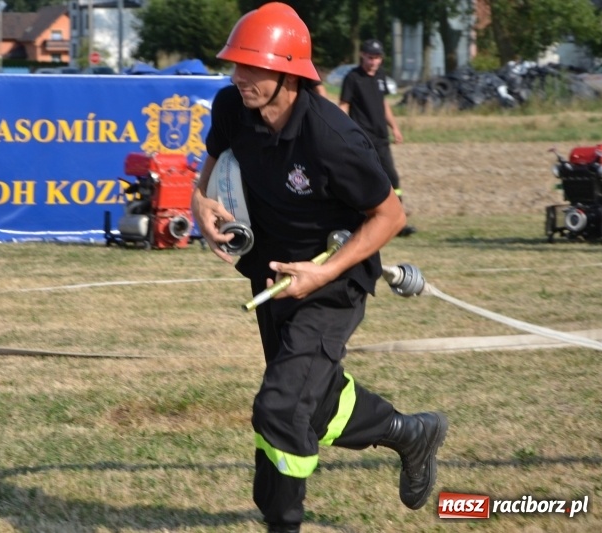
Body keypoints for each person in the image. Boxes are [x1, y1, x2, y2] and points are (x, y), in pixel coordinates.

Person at [190, 4, 447, 532]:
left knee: (282, 407)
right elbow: (211, 164)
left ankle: (283, 522)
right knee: (312, 398)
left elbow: (390, 216)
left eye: (252, 67)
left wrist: (323, 273)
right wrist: (200, 201)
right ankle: (408, 433)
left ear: (289, 74)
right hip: (272, 277)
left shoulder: (333, 137)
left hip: (334, 281)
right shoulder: (231, 106)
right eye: (235, 64)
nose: (238, 76)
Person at [339, 39, 417, 237]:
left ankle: (397, 222)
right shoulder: (352, 78)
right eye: (370, 57)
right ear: (362, 56)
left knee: (392, 178)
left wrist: (395, 127)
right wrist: (340, 131)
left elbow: (383, 104)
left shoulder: (381, 76)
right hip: (362, 139)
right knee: (365, 180)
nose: (374, 62)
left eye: (377, 58)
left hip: (381, 138)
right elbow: (344, 105)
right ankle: (361, 221)